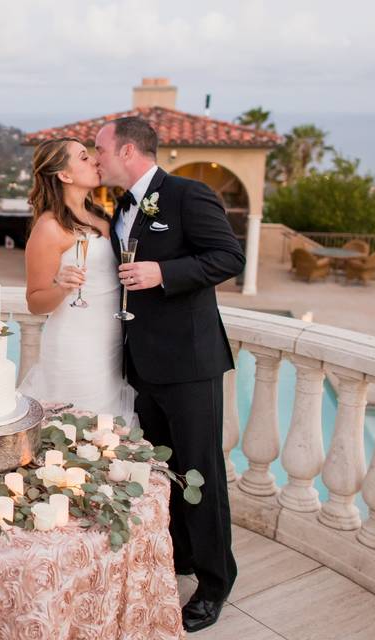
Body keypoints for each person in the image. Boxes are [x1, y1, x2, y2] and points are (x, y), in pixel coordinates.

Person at [94, 116, 243, 632]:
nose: (96, 159)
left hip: (191, 363)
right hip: (144, 364)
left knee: (203, 472)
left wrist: (164, 273)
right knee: (168, 472)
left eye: (101, 150)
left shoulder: (186, 194)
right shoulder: (118, 207)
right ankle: (178, 555)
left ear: (128, 149)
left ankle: (216, 580)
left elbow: (228, 256)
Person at [18, 137, 134, 422]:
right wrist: (61, 288)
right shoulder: (49, 228)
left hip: (111, 340)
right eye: (83, 157)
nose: (94, 160)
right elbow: (35, 302)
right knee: (79, 428)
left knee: (109, 430)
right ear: (64, 174)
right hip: (75, 346)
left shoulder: (102, 217)